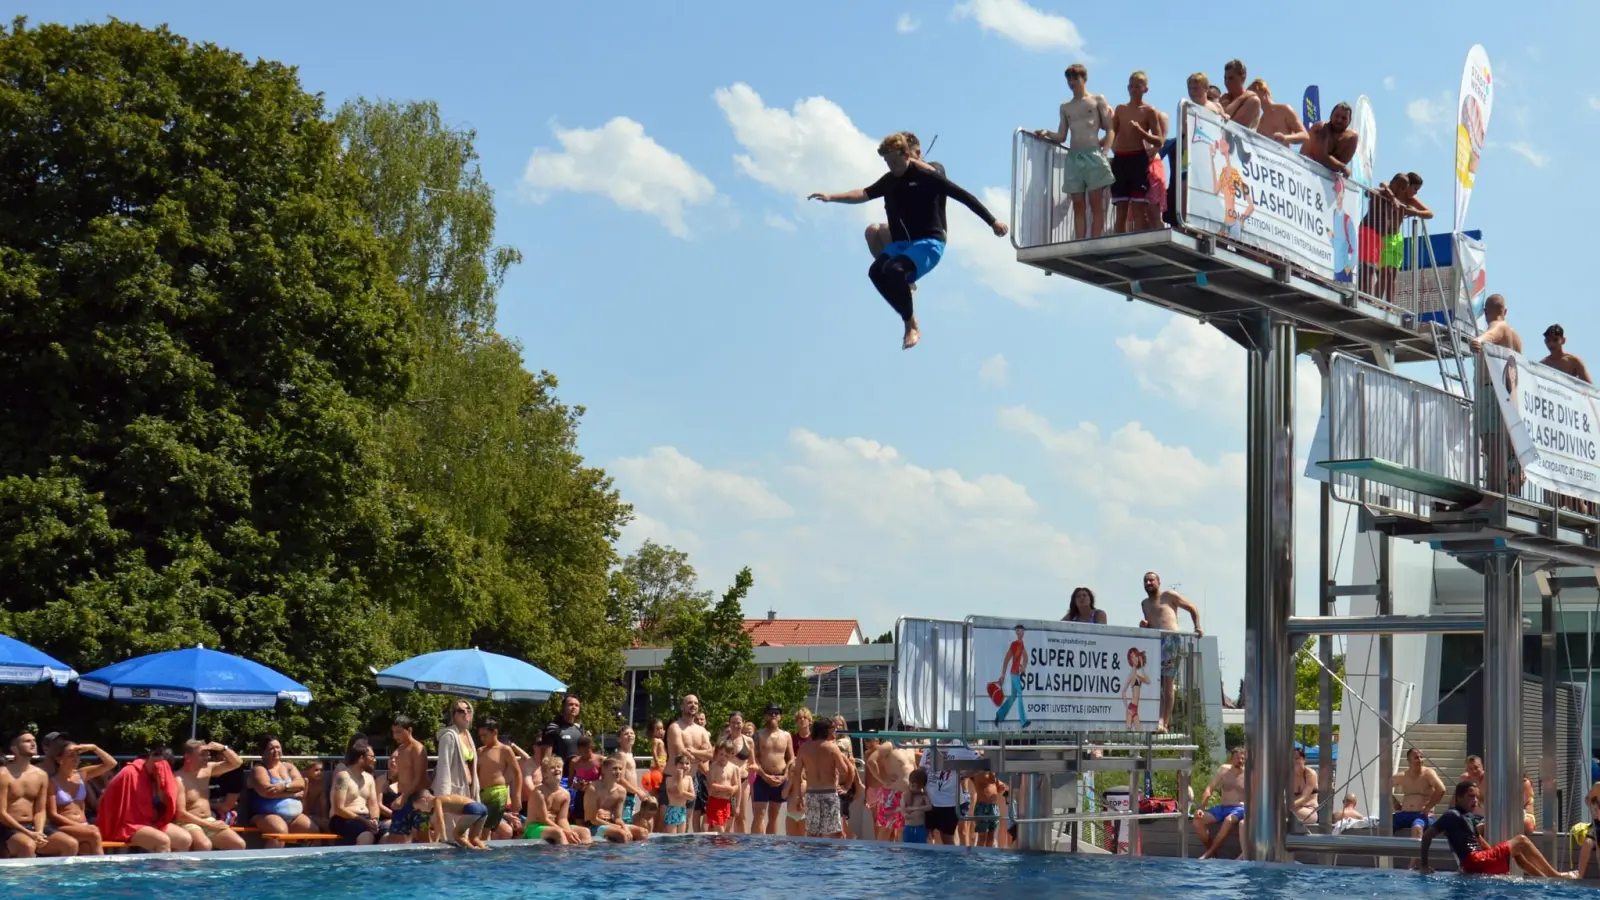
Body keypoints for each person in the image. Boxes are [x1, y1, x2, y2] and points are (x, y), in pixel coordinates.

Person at [809, 133, 1006, 351]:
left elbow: (964, 196)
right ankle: (910, 319)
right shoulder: (890, 180)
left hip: (929, 242)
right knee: (876, 272)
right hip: (904, 244)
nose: (892, 167)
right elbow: (863, 193)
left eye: (894, 162)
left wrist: (993, 221)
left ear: (906, 156)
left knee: (894, 269)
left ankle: (910, 324)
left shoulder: (926, 175)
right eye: (887, 163)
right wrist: (831, 197)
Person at [1419, 781, 1568, 877]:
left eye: (1477, 797)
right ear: (1458, 797)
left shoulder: (1468, 817)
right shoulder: (1451, 815)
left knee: (1516, 851)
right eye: (1471, 796)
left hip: (1478, 861)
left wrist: (1498, 856)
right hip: (1475, 861)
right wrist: (1424, 865)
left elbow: (1480, 841)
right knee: (1521, 840)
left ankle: (1542, 878)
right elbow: (1426, 836)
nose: (1475, 801)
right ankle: (1556, 875)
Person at [1033, 63, 1114, 240]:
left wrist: (1105, 151)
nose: (1072, 82)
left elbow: (1110, 128)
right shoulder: (1065, 107)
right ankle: (1080, 241)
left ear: (1084, 78)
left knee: (1096, 203)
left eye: (1075, 78)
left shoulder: (1097, 99)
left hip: (1093, 154)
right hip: (1074, 156)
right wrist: (1047, 133)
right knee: (1078, 204)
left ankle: (1095, 241)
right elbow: (1062, 136)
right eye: (1069, 79)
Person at [865, 132, 943, 267]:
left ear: (915, 154)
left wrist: (911, 161)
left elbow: (935, 174)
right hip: (906, 234)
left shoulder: (933, 169)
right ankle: (889, 269)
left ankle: (900, 269)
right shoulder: (898, 178)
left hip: (928, 235)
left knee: (884, 231)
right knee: (872, 231)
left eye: (904, 156)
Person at [1139, 571, 1203, 732]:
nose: (1148, 583)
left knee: (1168, 682)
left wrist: (1197, 626)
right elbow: (1152, 623)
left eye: (1151, 580)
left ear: (1158, 582)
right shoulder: (1144, 604)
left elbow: (1192, 608)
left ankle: (1164, 721)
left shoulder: (1169, 596)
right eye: (1146, 581)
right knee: (1156, 683)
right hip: (1154, 643)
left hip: (1171, 640)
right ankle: (1158, 719)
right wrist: (1144, 626)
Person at [1, 731, 82, 857]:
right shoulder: (3, 774)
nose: (33, 743)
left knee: (70, 844)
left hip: (33, 826)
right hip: (7, 827)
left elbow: (40, 810)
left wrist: (39, 831)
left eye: (34, 740)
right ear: (14, 749)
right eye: (27, 741)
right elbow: (2, 814)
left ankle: (59, 872)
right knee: (27, 845)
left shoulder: (41, 775)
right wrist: (29, 834)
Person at [98, 747, 191, 853]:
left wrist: (161, 784)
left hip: (149, 822)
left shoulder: (157, 777)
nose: (158, 768)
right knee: (162, 841)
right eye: (157, 765)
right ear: (151, 757)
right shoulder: (129, 772)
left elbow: (166, 806)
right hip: (126, 825)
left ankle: (173, 864)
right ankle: (161, 865)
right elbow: (107, 802)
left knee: (184, 839)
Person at [1360, 172, 1433, 301]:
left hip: (1396, 237)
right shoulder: (1392, 191)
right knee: (1385, 272)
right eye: (1415, 189)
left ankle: (1389, 304)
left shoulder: (1410, 200)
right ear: (1407, 185)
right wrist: (1392, 196)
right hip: (1384, 236)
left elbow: (1430, 213)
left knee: (1393, 274)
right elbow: (1383, 184)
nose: (1415, 192)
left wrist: (1415, 212)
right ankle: (1376, 300)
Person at [1109, 71, 1166, 234]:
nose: (1133, 89)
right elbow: (1112, 131)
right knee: (1121, 210)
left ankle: (1139, 243)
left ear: (1145, 89)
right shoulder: (1120, 109)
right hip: (1120, 159)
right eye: (1131, 86)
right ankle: (1118, 243)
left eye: (1137, 86)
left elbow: (1159, 140)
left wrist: (1141, 131)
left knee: (1138, 209)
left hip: (1138, 160)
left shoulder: (1149, 111)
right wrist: (1109, 146)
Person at [45, 739, 116, 855]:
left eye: (77, 755)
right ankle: (103, 866)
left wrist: (93, 747)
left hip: (84, 826)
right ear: (59, 759)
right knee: (94, 832)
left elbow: (111, 763)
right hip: (63, 826)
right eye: (71, 755)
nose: (76, 759)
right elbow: (53, 814)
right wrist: (78, 826)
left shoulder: (82, 774)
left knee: (87, 849)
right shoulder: (52, 782)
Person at [175, 739, 247, 851]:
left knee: (239, 844)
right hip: (187, 822)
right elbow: (180, 814)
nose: (207, 758)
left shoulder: (208, 769)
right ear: (188, 757)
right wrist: (209, 825)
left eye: (207, 754)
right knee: (204, 845)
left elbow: (237, 763)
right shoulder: (178, 779)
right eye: (202, 755)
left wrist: (222, 748)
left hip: (208, 820)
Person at [250, 735, 315, 846]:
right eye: (271, 748)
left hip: (295, 817)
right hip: (266, 815)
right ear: (263, 752)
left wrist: (283, 787)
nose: (276, 750)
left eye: (278, 747)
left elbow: (301, 783)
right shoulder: (259, 769)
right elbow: (266, 792)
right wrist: (293, 794)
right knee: (280, 831)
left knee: (313, 830)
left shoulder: (288, 767)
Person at [796, 716, 854, 838]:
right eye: (833, 730)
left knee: (812, 834)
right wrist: (844, 758)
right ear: (827, 731)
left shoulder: (804, 748)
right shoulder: (832, 747)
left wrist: (799, 796)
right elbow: (843, 771)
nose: (835, 733)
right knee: (835, 834)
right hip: (829, 794)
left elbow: (797, 774)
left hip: (811, 794)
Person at [665, 694, 715, 832]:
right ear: (682, 707)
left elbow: (711, 754)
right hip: (672, 778)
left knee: (685, 821)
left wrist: (692, 751)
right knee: (668, 821)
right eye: (689, 703)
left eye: (696, 703)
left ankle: (683, 847)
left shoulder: (702, 731)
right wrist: (700, 756)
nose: (693, 705)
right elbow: (681, 753)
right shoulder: (675, 727)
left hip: (691, 779)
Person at [383, 715, 430, 843]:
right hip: (402, 796)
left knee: (422, 839)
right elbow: (402, 773)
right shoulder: (400, 749)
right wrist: (391, 779)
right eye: (393, 732)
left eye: (398, 732)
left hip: (418, 798)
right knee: (394, 838)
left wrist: (403, 797)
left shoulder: (417, 748)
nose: (395, 736)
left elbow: (419, 776)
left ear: (409, 730)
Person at [922, 740, 978, 845]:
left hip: (948, 803)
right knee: (925, 837)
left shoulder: (959, 745)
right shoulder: (931, 745)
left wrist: (965, 774)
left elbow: (981, 762)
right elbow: (922, 769)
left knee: (947, 838)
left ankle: (953, 856)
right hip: (928, 802)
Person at [585, 753, 651, 843]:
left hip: (611, 823)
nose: (618, 772)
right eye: (614, 768)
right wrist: (617, 827)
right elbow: (592, 819)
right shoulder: (593, 788)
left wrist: (623, 826)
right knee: (621, 834)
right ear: (603, 770)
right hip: (593, 826)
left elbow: (618, 818)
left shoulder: (621, 791)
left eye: (620, 769)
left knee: (643, 832)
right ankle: (619, 852)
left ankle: (634, 852)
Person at [1195, 746, 1246, 860]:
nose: (1240, 761)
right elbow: (1209, 788)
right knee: (1198, 820)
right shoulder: (1223, 770)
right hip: (1222, 808)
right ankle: (1213, 854)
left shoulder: (1249, 774)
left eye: (1242, 758)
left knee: (1228, 820)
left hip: (1239, 808)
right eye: (1237, 758)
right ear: (1231, 759)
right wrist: (1201, 808)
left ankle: (1208, 854)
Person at [331, 738, 384, 846]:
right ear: (361, 758)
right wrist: (364, 821)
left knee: (390, 833)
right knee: (366, 836)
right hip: (343, 819)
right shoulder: (343, 776)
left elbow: (373, 805)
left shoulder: (369, 778)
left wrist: (374, 820)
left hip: (365, 819)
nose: (374, 760)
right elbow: (338, 809)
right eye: (372, 756)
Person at [527, 753, 590, 844]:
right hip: (535, 827)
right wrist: (565, 832)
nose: (557, 769)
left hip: (556, 825)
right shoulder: (539, 792)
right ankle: (564, 853)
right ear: (545, 774)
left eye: (559, 767)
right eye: (552, 768)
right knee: (559, 833)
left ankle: (581, 853)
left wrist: (569, 832)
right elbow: (544, 819)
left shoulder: (565, 794)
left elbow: (562, 819)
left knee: (585, 832)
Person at [1391, 747, 1446, 837]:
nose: (1420, 760)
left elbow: (1441, 789)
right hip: (1404, 814)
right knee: (1386, 825)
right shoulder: (1402, 776)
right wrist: (1396, 804)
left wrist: (1428, 807)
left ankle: (1418, 847)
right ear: (1409, 760)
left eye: (1421, 757)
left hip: (1422, 815)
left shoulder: (1428, 773)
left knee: (1417, 828)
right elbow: (1384, 788)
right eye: (1416, 757)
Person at [1300, 102, 1358, 178]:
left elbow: (1341, 163)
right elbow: (1321, 157)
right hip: (1304, 169)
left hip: (1326, 178)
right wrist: (1342, 167)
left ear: (1349, 121)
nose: (1339, 120)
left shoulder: (1352, 138)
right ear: (1331, 115)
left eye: (1344, 118)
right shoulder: (1321, 127)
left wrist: (1340, 166)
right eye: (1337, 116)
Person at [874, 739, 916, 841]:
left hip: (908, 794)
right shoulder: (889, 745)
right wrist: (883, 778)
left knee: (903, 829)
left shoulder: (910, 746)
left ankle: (901, 851)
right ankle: (880, 851)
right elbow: (871, 761)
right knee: (886, 828)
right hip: (892, 793)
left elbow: (913, 767)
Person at [537, 693, 585, 780]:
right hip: (559, 778)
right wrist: (546, 779)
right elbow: (546, 758)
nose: (574, 707)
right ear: (563, 707)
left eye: (577, 705)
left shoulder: (579, 729)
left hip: (578, 778)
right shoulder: (553, 728)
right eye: (570, 704)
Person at [994, 623, 1032, 729]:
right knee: (1020, 694)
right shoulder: (1014, 644)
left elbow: (1026, 657)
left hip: (1016, 674)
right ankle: (1023, 721)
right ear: (1016, 632)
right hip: (1014, 674)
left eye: (1022, 631)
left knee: (1014, 696)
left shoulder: (1021, 644)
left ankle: (999, 715)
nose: (1020, 633)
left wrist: (1023, 666)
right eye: (1018, 631)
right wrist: (1003, 674)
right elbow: (1006, 659)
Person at [1250, 79, 1308, 146]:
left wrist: (1285, 138)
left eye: (1254, 94)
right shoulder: (1259, 123)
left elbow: (1305, 136)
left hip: (1281, 152)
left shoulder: (1284, 110)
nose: (1252, 98)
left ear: (1264, 91)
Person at [705, 740, 741, 833]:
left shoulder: (733, 768)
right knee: (720, 827)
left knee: (719, 827)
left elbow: (736, 786)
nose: (723, 757)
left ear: (731, 755)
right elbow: (712, 785)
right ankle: (723, 841)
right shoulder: (714, 766)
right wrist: (728, 789)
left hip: (726, 802)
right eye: (721, 754)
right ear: (717, 753)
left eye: (726, 755)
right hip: (715, 801)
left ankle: (716, 841)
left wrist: (737, 805)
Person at [1217, 59, 1262, 129]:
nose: (1227, 82)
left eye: (1231, 78)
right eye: (1225, 78)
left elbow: (1230, 126)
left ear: (1243, 78)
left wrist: (1241, 98)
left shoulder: (1252, 100)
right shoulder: (1226, 98)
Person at [969, 769, 1005, 847]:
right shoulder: (979, 773)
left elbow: (998, 786)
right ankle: (980, 854)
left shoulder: (992, 775)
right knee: (982, 837)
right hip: (982, 807)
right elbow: (991, 780)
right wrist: (994, 769)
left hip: (993, 807)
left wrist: (1001, 787)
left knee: (991, 837)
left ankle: (989, 854)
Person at [662, 754, 695, 835]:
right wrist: (679, 778)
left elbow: (692, 797)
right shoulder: (669, 779)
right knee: (673, 839)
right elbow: (678, 792)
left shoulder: (689, 779)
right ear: (675, 766)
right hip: (672, 810)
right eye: (681, 763)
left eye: (687, 763)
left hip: (683, 811)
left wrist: (682, 793)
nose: (684, 765)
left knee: (681, 838)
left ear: (690, 766)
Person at [901, 769, 931, 844]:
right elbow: (903, 808)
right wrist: (904, 813)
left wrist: (914, 808)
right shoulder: (905, 795)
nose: (912, 788)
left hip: (920, 827)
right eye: (911, 785)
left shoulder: (923, 795)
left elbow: (929, 807)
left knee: (921, 846)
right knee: (907, 846)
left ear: (922, 786)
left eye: (915, 786)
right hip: (909, 827)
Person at [1291, 747, 1319, 825]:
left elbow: (1304, 798)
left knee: (1280, 812)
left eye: (1297, 758)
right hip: (1294, 809)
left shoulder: (1310, 774)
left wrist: (1286, 807)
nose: (1294, 761)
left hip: (1309, 811)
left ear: (1304, 759)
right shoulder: (1289, 775)